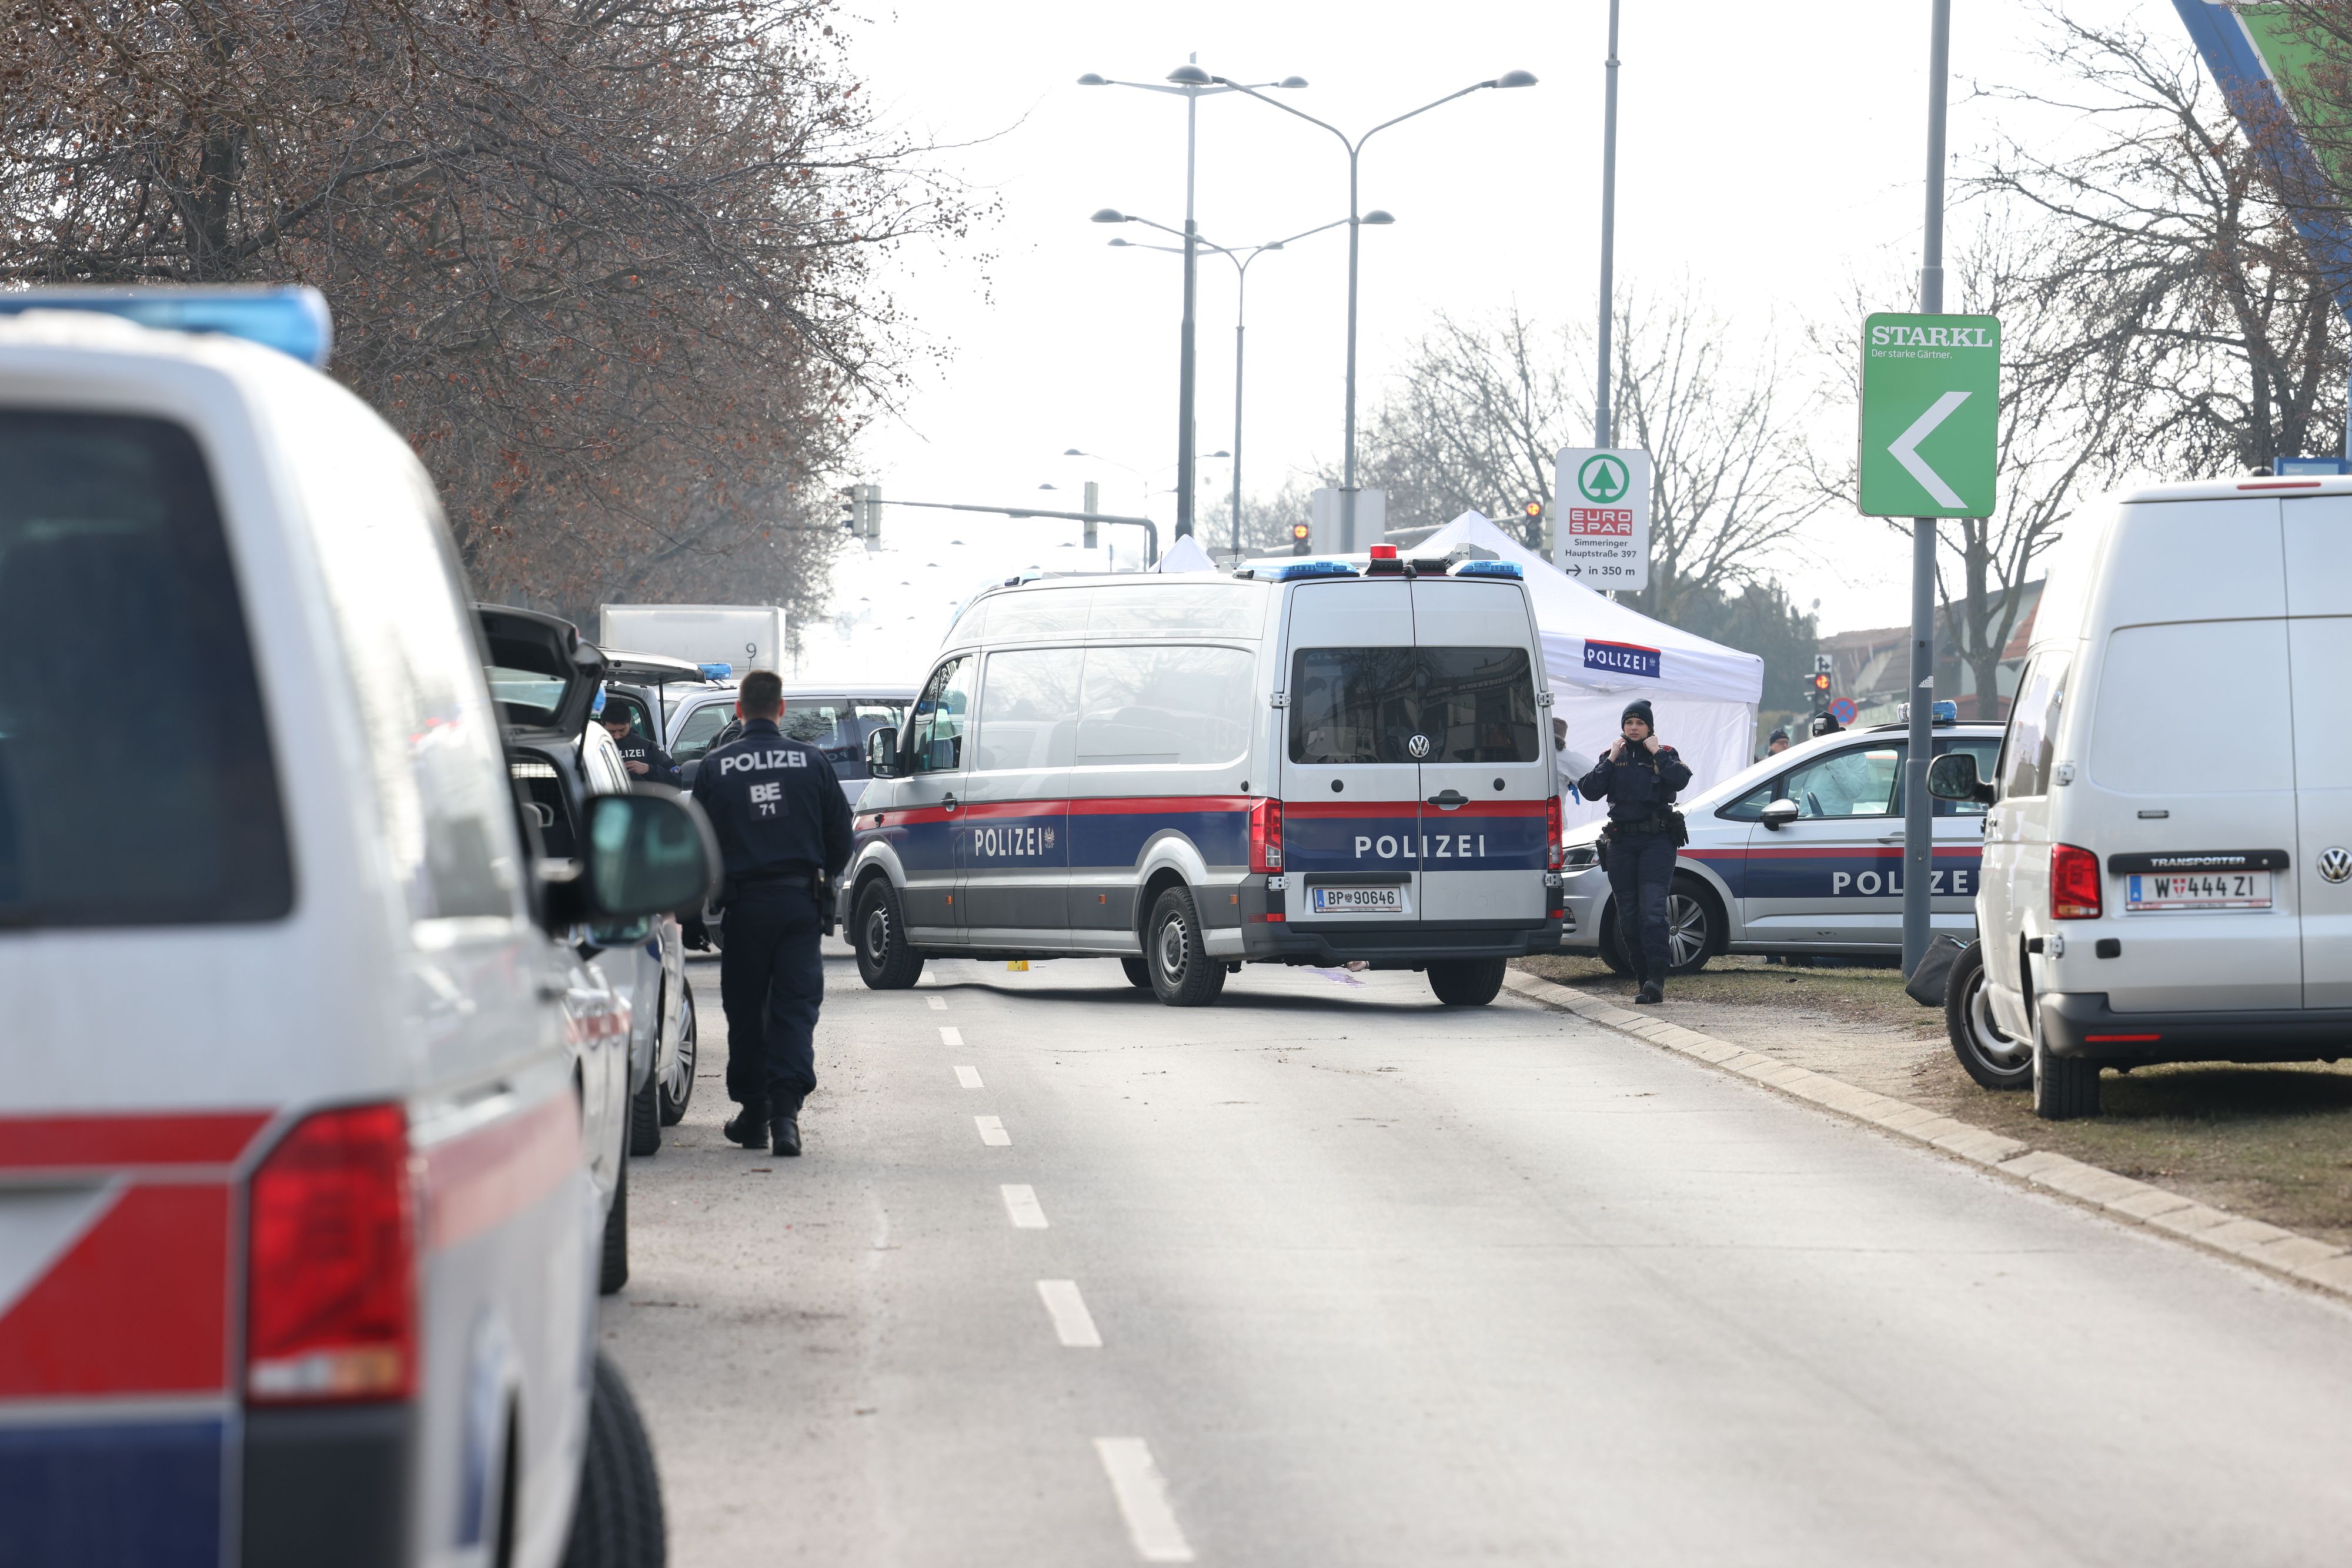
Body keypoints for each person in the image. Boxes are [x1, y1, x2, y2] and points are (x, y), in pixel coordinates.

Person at [690, 670, 853, 1157]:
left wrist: (693, 911)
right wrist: (823, 875)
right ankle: (786, 1117)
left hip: (743, 908)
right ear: (781, 710)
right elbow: (840, 837)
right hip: (799, 904)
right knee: (794, 1008)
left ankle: (754, 1112)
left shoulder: (716, 767)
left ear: (738, 711)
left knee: (745, 1010)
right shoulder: (813, 761)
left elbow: (698, 846)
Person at [1576, 698, 1692, 1005]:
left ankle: (1657, 979)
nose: (1634, 728)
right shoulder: (1612, 756)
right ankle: (1644, 981)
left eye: (1640, 723)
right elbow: (1589, 790)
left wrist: (1656, 752)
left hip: (1657, 842)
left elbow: (1680, 779)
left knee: (1652, 912)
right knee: (1628, 917)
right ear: (1623, 727)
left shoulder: (1665, 754)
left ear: (1650, 727)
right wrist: (1611, 758)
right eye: (1629, 723)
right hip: (1622, 844)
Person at [598, 705, 681, 788]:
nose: (617, 736)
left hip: (641, 801)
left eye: (622, 730)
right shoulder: (592, 749)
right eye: (611, 731)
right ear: (603, 725)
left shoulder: (649, 747)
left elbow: (677, 781)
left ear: (630, 723)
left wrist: (648, 769)